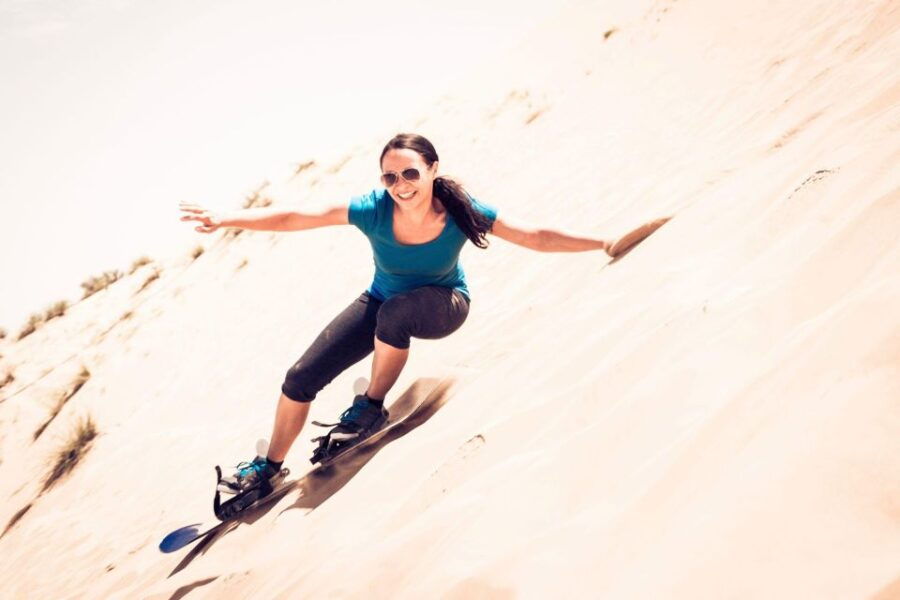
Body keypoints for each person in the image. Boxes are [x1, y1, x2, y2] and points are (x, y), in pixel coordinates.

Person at [178, 132, 667, 496]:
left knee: (396, 314)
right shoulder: (372, 210)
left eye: (410, 173)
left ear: (432, 169)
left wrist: (603, 241)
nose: (400, 184)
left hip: (444, 306)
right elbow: (298, 217)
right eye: (390, 176)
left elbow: (534, 236)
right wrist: (226, 219)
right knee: (299, 377)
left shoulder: (461, 210)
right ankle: (268, 467)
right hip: (381, 301)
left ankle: (369, 405)